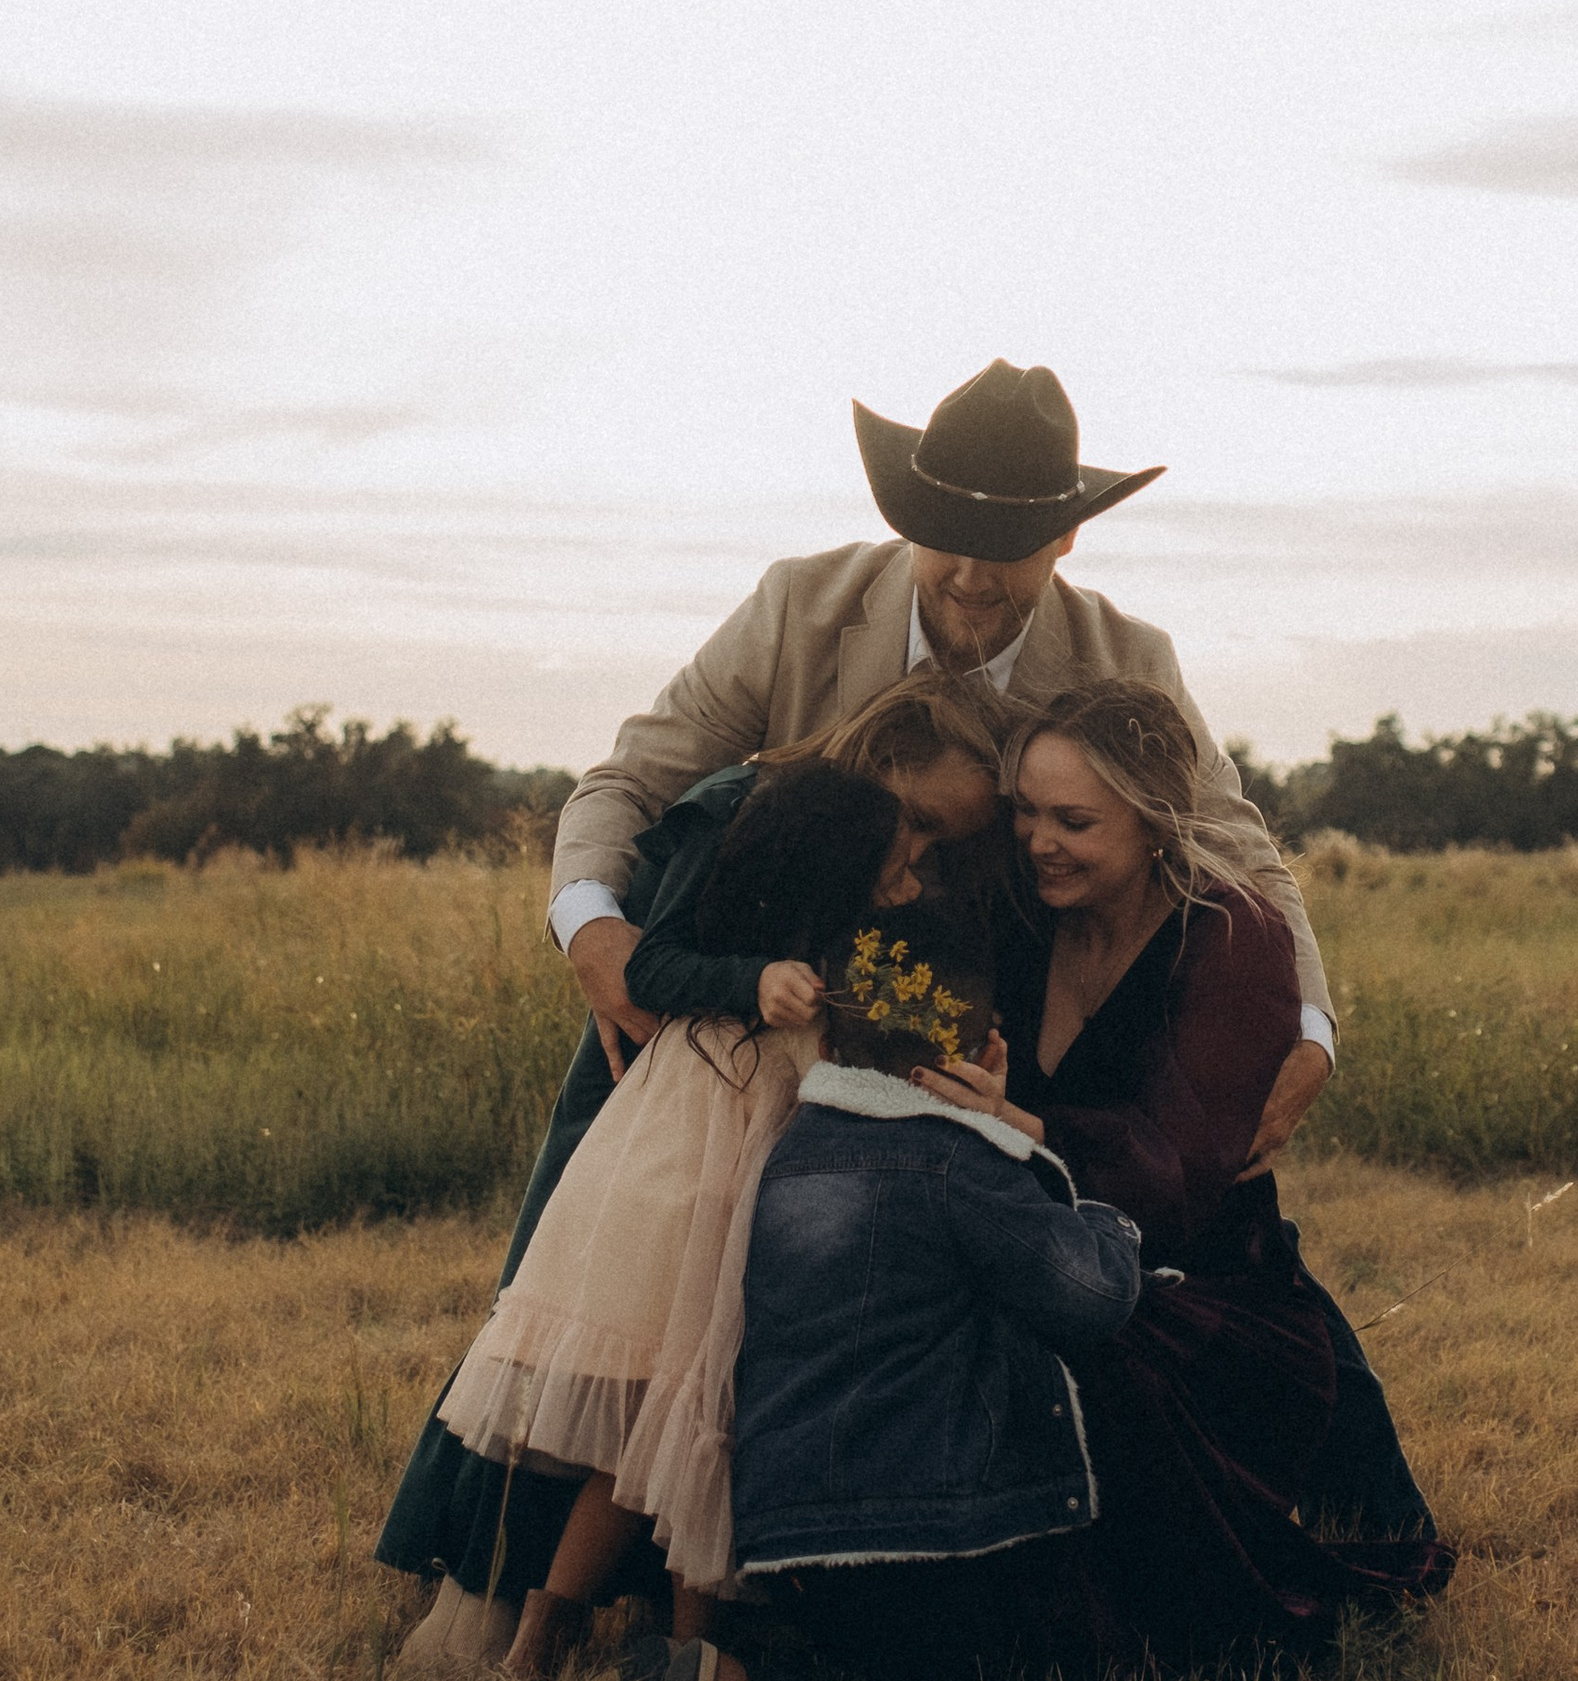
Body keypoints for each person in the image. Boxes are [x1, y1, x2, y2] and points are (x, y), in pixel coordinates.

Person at [542, 363, 1339, 1206]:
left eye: (1006, 548)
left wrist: (1310, 1032)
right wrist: (591, 930)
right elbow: (629, 781)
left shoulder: (1129, 661)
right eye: (945, 536)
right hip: (765, 1009)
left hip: (997, 1047)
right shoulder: (796, 606)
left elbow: (1238, 850)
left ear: (1067, 538)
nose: (969, 575)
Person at [376, 672, 1004, 1662]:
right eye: (919, 825)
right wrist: (752, 983)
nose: (921, 861)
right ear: (880, 769)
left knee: (704, 1408)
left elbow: (872, 1025)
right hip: (697, 1146)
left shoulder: (880, 898)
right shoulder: (754, 825)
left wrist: (942, 1052)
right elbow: (654, 961)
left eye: (941, 844)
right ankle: (581, 1634)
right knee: (675, 1397)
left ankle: (668, 1658)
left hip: (777, 1162)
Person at [926, 678, 1452, 1675]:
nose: (1038, 840)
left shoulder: (1232, 933)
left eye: (1074, 821)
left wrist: (1016, 1123)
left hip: (1204, 1295)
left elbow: (1177, 1175)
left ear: (1156, 819)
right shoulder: (1021, 916)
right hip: (1034, 1262)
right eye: (1025, 811)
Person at [655, 907, 1145, 1681]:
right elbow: (1087, 1294)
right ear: (969, 1055)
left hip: (788, 1533)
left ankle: (732, 1654)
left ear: (829, 1041)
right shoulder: (957, 1160)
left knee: (869, 1648)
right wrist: (1108, 1219)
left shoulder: (788, 1156)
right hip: (925, 1526)